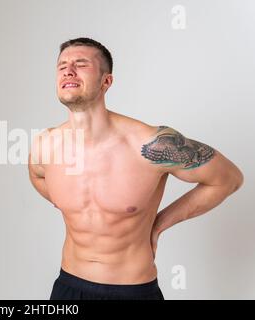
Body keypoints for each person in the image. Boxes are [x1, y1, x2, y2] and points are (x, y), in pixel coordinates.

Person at [27, 37, 244, 300]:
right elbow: (39, 177)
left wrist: (159, 224)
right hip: (68, 288)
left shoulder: (151, 144)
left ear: (106, 81)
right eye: (62, 65)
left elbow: (228, 179)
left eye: (80, 64)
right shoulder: (45, 146)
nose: (68, 70)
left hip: (132, 292)